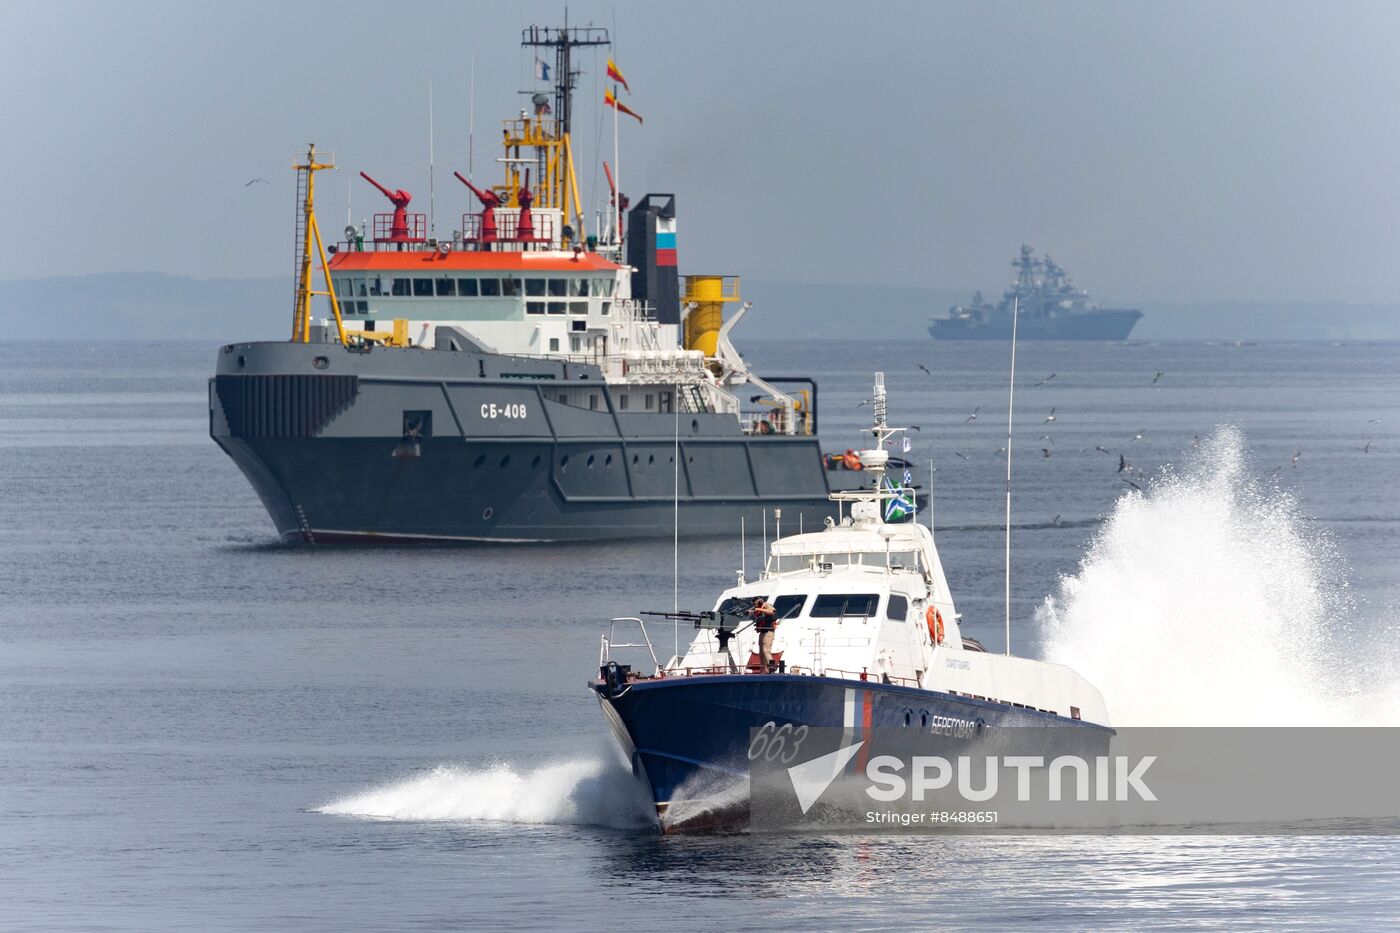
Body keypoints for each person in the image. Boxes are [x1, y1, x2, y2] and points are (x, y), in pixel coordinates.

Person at [752, 596, 778, 673]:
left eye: (755, 604)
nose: (754, 605)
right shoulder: (758, 608)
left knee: (766, 650)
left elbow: (771, 612)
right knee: (761, 652)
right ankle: (764, 669)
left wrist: (758, 609)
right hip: (762, 631)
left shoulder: (766, 605)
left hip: (768, 631)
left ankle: (771, 668)